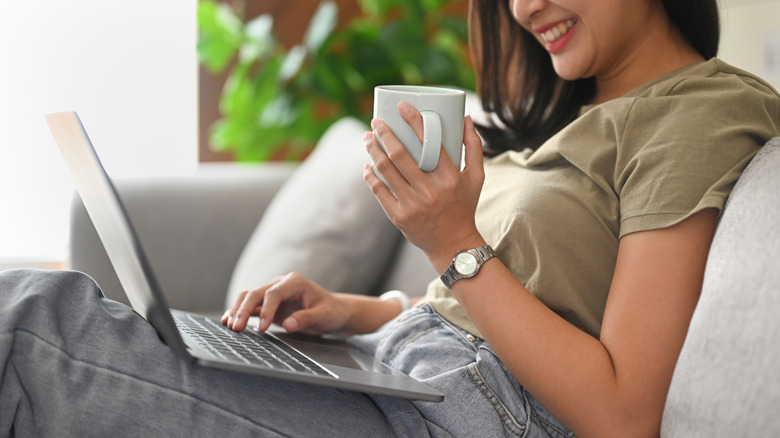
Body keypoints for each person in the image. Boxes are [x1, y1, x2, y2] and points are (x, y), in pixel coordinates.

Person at [2, 0, 779, 436]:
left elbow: (625, 414)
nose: (525, 7)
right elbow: (530, 301)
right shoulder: (575, 113)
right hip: (406, 376)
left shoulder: (702, 111)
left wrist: (454, 243)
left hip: (460, 420)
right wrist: (357, 315)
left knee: (31, 319)